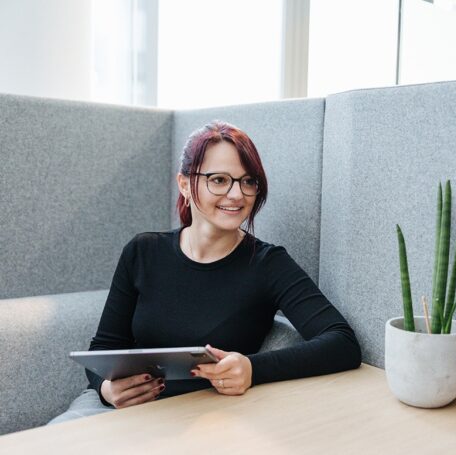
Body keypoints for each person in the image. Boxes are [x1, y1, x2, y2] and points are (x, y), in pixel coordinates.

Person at [49, 121, 361, 423]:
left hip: (200, 417)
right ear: (184, 184)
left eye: (248, 181)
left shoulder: (267, 263)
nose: (237, 195)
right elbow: (104, 347)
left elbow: (342, 343)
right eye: (219, 179)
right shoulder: (142, 251)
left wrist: (252, 368)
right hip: (116, 410)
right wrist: (106, 389)